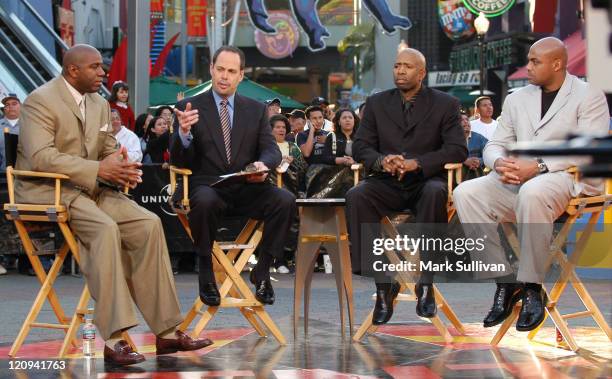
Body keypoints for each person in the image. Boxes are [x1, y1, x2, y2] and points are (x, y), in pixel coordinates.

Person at [14, 44, 211, 366]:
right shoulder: (40, 100)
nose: (103, 72)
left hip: (91, 187)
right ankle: (115, 339)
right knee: (105, 229)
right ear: (73, 70)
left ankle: (168, 332)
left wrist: (119, 166)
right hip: (49, 188)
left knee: (149, 224)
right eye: (94, 67)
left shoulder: (99, 104)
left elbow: (107, 146)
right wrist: (97, 169)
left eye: (101, 67)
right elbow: (41, 157)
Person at [453, 37, 610, 332]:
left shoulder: (589, 95)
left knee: (532, 191)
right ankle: (504, 281)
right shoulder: (516, 98)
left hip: (567, 177)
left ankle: (532, 286)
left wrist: (538, 165)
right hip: (516, 179)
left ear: (558, 64)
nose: (528, 66)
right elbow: (495, 144)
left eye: (535, 61)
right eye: (528, 59)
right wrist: (498, 163)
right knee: (465, 193)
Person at [345, 48, 467, 324]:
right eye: (397, 65)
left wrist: (419, 163)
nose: (400, 71)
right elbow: (361, 146)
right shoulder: (376, 103)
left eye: (407, 67)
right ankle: (383, 284)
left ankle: (426, 282)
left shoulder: (445, 104)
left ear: (421, 73)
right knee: (356, 195)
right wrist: (381, 160)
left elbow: (457, 149)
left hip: (425, 181)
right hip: (386, 181)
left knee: (436, 192)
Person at [171, 46, 296, 307]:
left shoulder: (256, 109)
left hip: (247, 186)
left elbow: (271, 149)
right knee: (204, 201)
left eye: (231, 71)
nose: (224, 76)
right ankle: (205, 270)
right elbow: (179, 160)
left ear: (241, 75)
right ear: (211, 70)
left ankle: (262, 271)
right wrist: (183, 134)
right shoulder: (188, 107)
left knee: (284, 200)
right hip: (208, 188)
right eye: (220, 69)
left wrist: (263, 164)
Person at [269, 114, 306, 274]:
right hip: (270, 192)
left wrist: (292, 163)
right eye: (277, 127)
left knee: (292, 224)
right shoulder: (266, 147)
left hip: (291, 192)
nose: (281, 129)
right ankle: (272, 259)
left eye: (283, 127)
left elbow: (303, 168)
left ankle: (284, 258)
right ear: (270, 130)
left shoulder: (293, 147)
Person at [461, 110, 488, 180]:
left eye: (467, 119)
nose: (466, 122)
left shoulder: (480, 138)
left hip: (478, 174)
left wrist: (478, 161)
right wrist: (465, 161)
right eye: (461, 120)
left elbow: (489, 154)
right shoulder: (452, 139)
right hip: (458, 176)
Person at [0, 93, 21, 171]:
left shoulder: (31, 125)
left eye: (14, 104)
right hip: (3, 176)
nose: (11, 107)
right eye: (7, 105)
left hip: (26, 176)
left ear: (21, 106)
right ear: (4, 109)